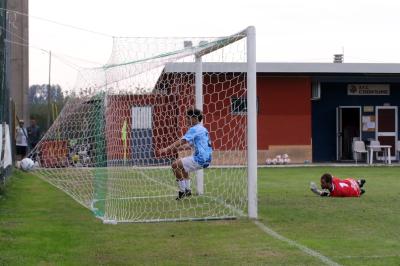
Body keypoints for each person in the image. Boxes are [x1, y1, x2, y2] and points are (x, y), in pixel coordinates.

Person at [157, 108, 212, 200]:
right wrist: (176, 148)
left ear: (194, 118)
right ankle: (188, 190)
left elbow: (181, 141)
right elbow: (189, 144)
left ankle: (182, 191)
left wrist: (166, 149)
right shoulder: (203, 129)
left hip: (200, 158)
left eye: (187, 117)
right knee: (183, 167)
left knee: (175, 165)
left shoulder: (194, 129)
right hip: (207, 158)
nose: (186, 120)